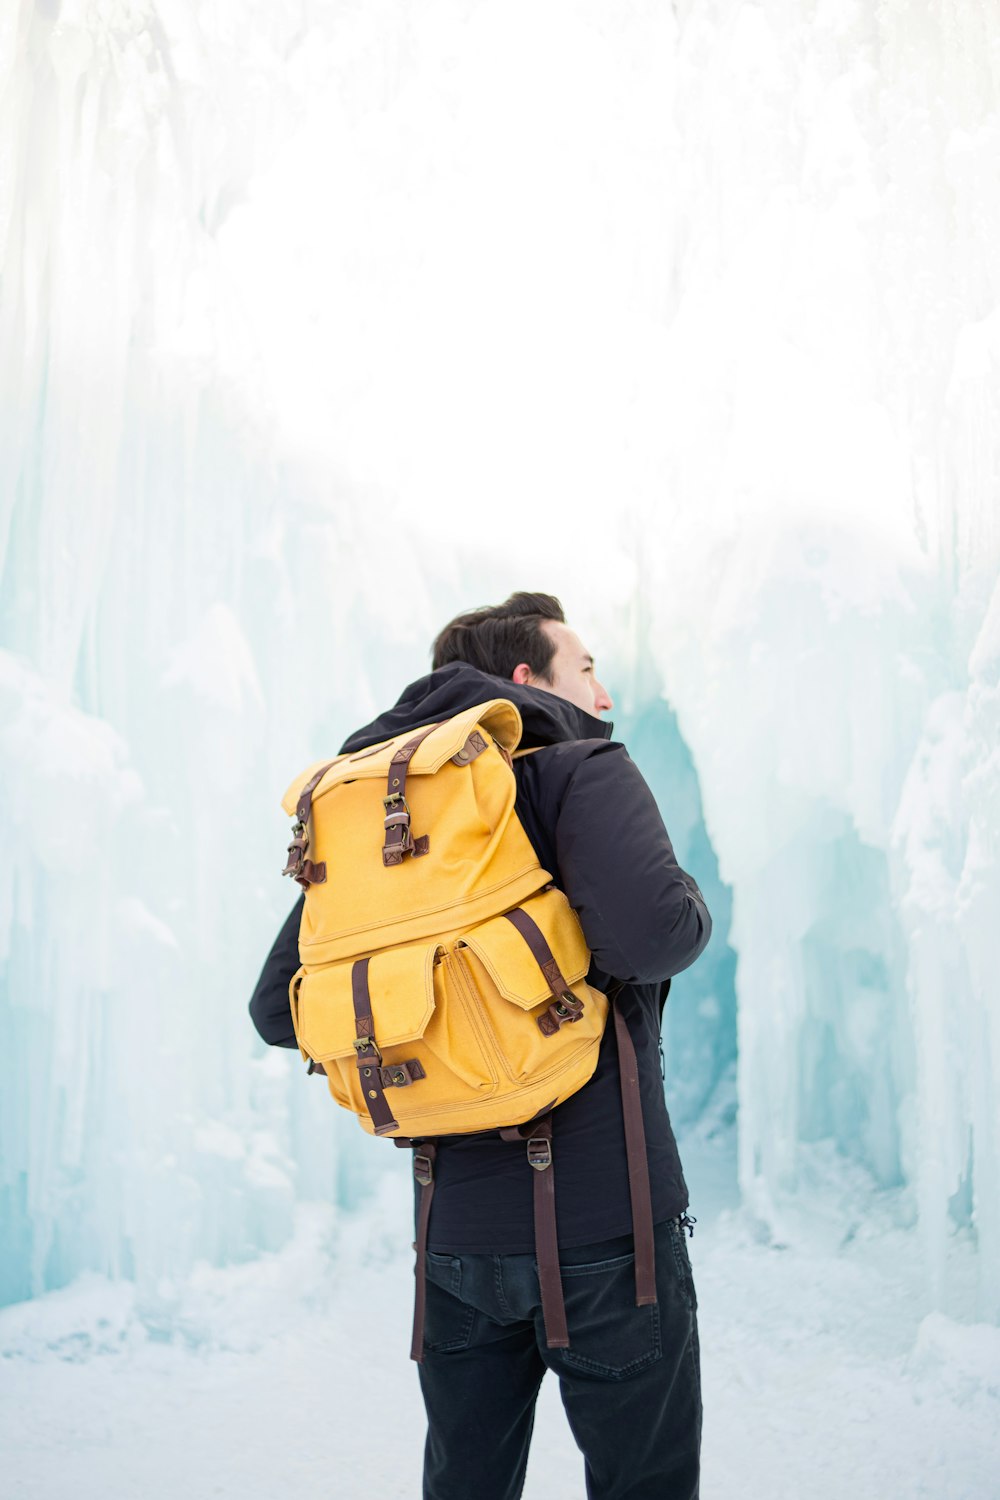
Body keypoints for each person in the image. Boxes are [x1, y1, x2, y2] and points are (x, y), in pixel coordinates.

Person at [250, 591, 712, 1500]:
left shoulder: (375, 832)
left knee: (467, 1485)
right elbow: (658, 937)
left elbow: (279, 1008)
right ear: (525, 680)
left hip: (453, 1244)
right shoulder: (579, 772)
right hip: (611, 1242)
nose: (604, 692)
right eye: (585, 669)